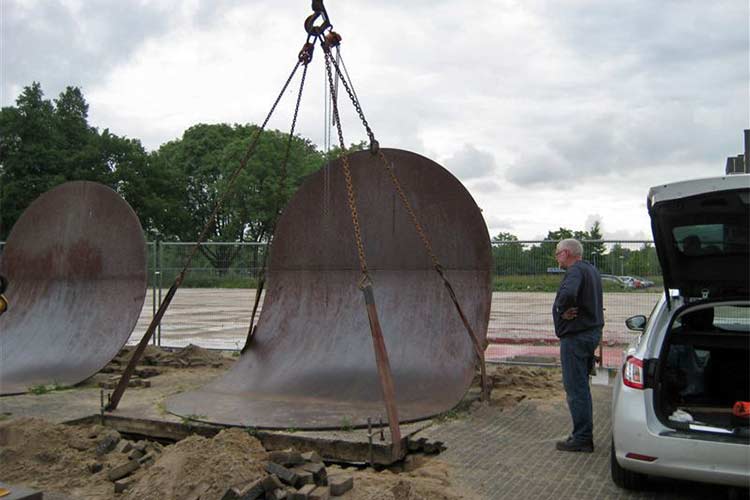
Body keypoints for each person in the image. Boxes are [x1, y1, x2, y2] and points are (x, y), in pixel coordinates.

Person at [552, 239, 604, 452]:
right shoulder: (591, 270)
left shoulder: (574, 272)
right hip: (590, 333)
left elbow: (568, 293)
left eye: (557, 253)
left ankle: (582, 437)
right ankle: (582, 434)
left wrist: (562, 311)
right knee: (581, 386)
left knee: (576, 388)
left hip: (576, 337)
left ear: (566, 253)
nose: (556, 257)